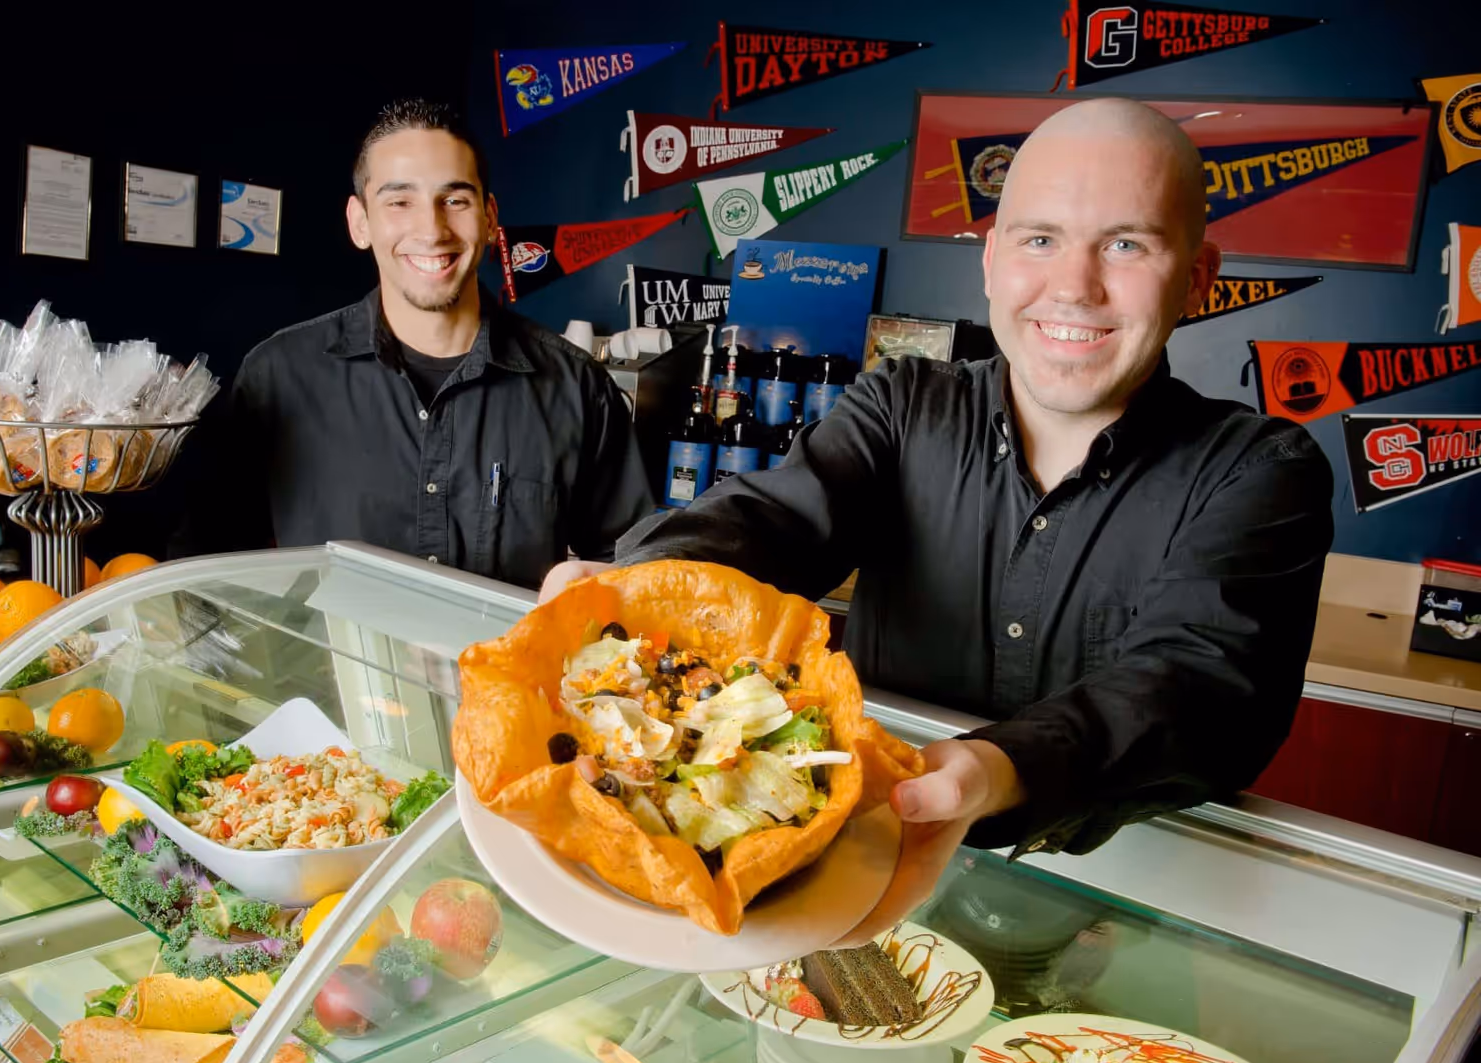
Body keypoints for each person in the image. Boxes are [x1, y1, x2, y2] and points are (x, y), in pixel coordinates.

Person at [540, 99, 1334, 942]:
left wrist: (996, 768)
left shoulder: (1259, 469)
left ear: (1200, 276)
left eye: (1127, 244)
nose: (1074, 285)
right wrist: (642, 584)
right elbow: (778, 520)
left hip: (1114, 919)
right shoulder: (904, 402)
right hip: (849, 882)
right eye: (1040, 239)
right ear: (991, 260)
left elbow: (1197, 687)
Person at [173, 99, 652, 589]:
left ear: (489, 219)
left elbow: (631, 568)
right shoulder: (277, 375)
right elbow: (208, 568)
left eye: (456, 200)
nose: (431, 229)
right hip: (322, 668)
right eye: (400, 202)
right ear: (360, 223)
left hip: (506, 667)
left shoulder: (577, 387)